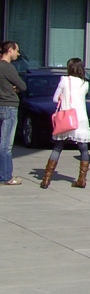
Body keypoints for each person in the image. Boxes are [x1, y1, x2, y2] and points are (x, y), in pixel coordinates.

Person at [41, 58, 90, 189]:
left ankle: (46, 179)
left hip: (66, 118)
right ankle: (82, 179)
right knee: (83, 148)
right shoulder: (85, 84)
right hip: (80, 118)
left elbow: (54, 98)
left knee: (58, 147)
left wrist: (62, 97)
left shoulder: (64, 80)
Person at [0, 41, 27, 186]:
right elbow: (23, 86)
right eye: (17, 50)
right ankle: (5, 176)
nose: (18, 53)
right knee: (6, 145)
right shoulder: (8, 67)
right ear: (10, 50)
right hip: (9, 107)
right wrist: (14, 88)